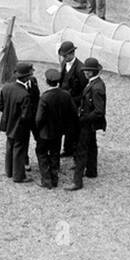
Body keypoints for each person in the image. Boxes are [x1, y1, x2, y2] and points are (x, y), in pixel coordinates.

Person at [33, 68, 77, 190]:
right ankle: (55, 178)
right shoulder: (66, 95)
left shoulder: (45, 97)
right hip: (58, 132)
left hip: (45, 132)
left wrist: (38, 129)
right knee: (55, 153)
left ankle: (46, 180)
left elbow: (39, 118)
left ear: (47, 81)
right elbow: (73, 113)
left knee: (41, 153)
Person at [69, 58, 106, 190]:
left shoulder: (96, 88)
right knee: (92, 146)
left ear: (93, 72)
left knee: (81, 150)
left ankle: (77, 181)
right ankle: (91, 171)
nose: (85, 73)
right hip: (90, 123)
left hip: (88, 123)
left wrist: (83, 118)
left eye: (87, 71)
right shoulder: (95, 83)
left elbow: (99, 111)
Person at [0, 60, 34, 184]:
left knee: (10, 146)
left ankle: (9, 171)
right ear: (26, 77)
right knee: (19, 150)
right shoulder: (25, 95)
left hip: (8, 124)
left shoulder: (6, 87)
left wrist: (8, 113)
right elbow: (25, 115)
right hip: (20, 127)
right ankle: (19, 176)